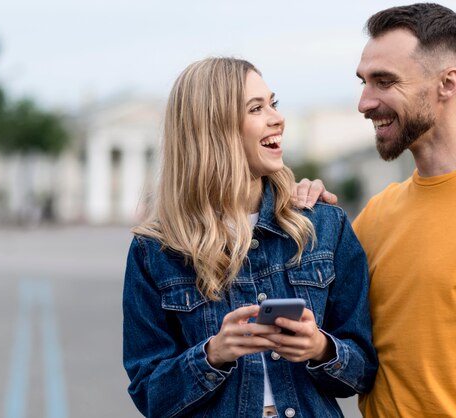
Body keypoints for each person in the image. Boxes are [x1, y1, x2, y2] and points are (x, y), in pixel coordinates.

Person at [300, 3, 456, 417]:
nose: (365, 102)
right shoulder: (375, 215)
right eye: (364, 82)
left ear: (448, 83)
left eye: (384, 82)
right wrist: (301, 213)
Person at [122, 57, 377, 418]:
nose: (277, 118)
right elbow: (149, 394)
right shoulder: (155, 250)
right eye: (256, 108)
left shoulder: (324, 225)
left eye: (273, 103)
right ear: (212, 129)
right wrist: (212, 354)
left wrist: (321, 347)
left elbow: (364, 372)